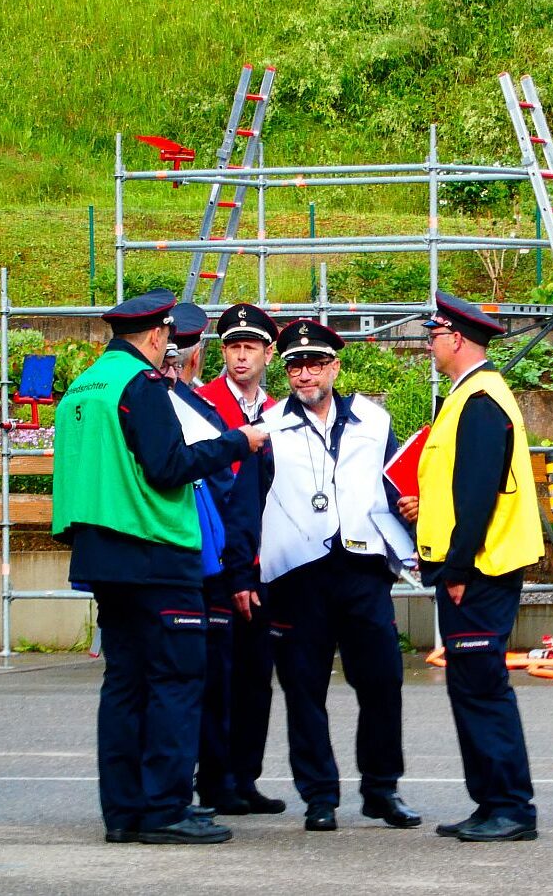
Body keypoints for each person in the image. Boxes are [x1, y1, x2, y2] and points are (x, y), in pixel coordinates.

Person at [51, 289, 267, 846]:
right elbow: (169, 467)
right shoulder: (141, 387)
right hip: (156, 551)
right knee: (175, 681)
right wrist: (236, 442)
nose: (169, 351)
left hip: (102, 556)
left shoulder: (82, 386)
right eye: (168, 340)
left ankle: (123, 811)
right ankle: (166, 808)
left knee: (123, 685)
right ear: (155, 335)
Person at [224, 318, 421, 833]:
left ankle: (382, 789)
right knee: (303, 686)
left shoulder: (374, 421)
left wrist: (409, 531)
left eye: (313, 363)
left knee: (382, 681)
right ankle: (319, 795)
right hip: (296, 573)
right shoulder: (266, 426)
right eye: (294, 365)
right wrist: (244, 574)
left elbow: (393, 485)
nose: (304, 374)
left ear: (334, 366)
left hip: (361, 566)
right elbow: (245, 504)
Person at [397, 290, 543, 843]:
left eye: (434, 336)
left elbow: (479, 494)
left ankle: (510, 807)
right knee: (471, 688)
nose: (430, 345)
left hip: (478, 570)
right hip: (473, 568)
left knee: (482, 689)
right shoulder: (470, 395)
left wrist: (457, 570)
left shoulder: (480, 398)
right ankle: (491, 803)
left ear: (456, 339)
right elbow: (455, 486)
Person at [197, 303, 285, 816]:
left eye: (250, 346)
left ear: (268, 352)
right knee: (218, 678)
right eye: (233, 345)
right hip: (222, 567)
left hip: (268, 564)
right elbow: (215, 494)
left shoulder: (279, 412)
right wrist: (235, 572)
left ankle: (245, 776)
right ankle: (214, 780)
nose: (241, 355)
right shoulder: (203, 405)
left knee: (256, 676)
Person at [164, 303, 246, 818]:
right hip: (196, 560)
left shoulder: (145, 400)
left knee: (196, 680)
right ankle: (182, 791)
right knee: (188, 682)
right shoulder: (195, 409)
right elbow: (220, 485)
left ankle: (192, 787)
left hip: (188, 558)